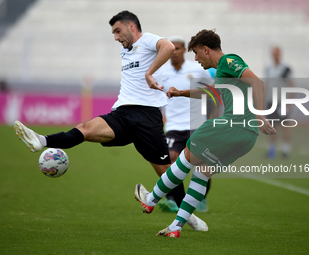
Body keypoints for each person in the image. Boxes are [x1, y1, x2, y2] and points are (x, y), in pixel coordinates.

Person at [13, 10, 207, 231]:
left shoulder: (148, 40)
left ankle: (188, 217)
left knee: (166, 171)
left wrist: (149, 73)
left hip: (147, 117)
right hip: (122, 114)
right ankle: (42, 141)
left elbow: (169, 47)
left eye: (117, 31)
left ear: (131, 26)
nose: (115, 37)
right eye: (113, 33)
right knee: (84, 128)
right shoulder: (126, 52)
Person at [134, 29, 277, 238]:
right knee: (201, 172)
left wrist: (260, 115)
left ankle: (150, 200)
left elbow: (257, 82)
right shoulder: (223, 73)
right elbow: (209, 93)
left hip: (231, 125)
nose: (196, 59)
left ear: (206, 49)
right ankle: (175, 227)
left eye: (197, 53)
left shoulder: (229, 61)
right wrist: (180, 92)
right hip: (247, 137)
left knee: (184, 161)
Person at [159, 36, 213, 213]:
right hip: (173, 125)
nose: (174, 52)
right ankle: (172, 199)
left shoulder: (197, 70)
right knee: (171, 161)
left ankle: (202, 198)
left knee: (201, 163)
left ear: (184, 51)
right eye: (171, 49)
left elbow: (212, 92)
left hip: (196, 124)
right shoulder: (162, 73)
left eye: (178, 48)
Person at [265, 46, 295, 159]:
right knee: (271, 127)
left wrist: (290, 101)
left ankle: (285, 150)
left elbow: (291, 84)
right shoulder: (269, 69)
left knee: (285, 126)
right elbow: (267, 85)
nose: (275, 56)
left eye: (277, 53)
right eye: (274, 53)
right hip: (271, 102)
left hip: (282, 101)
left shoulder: (285, 69)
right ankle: (272, 151)